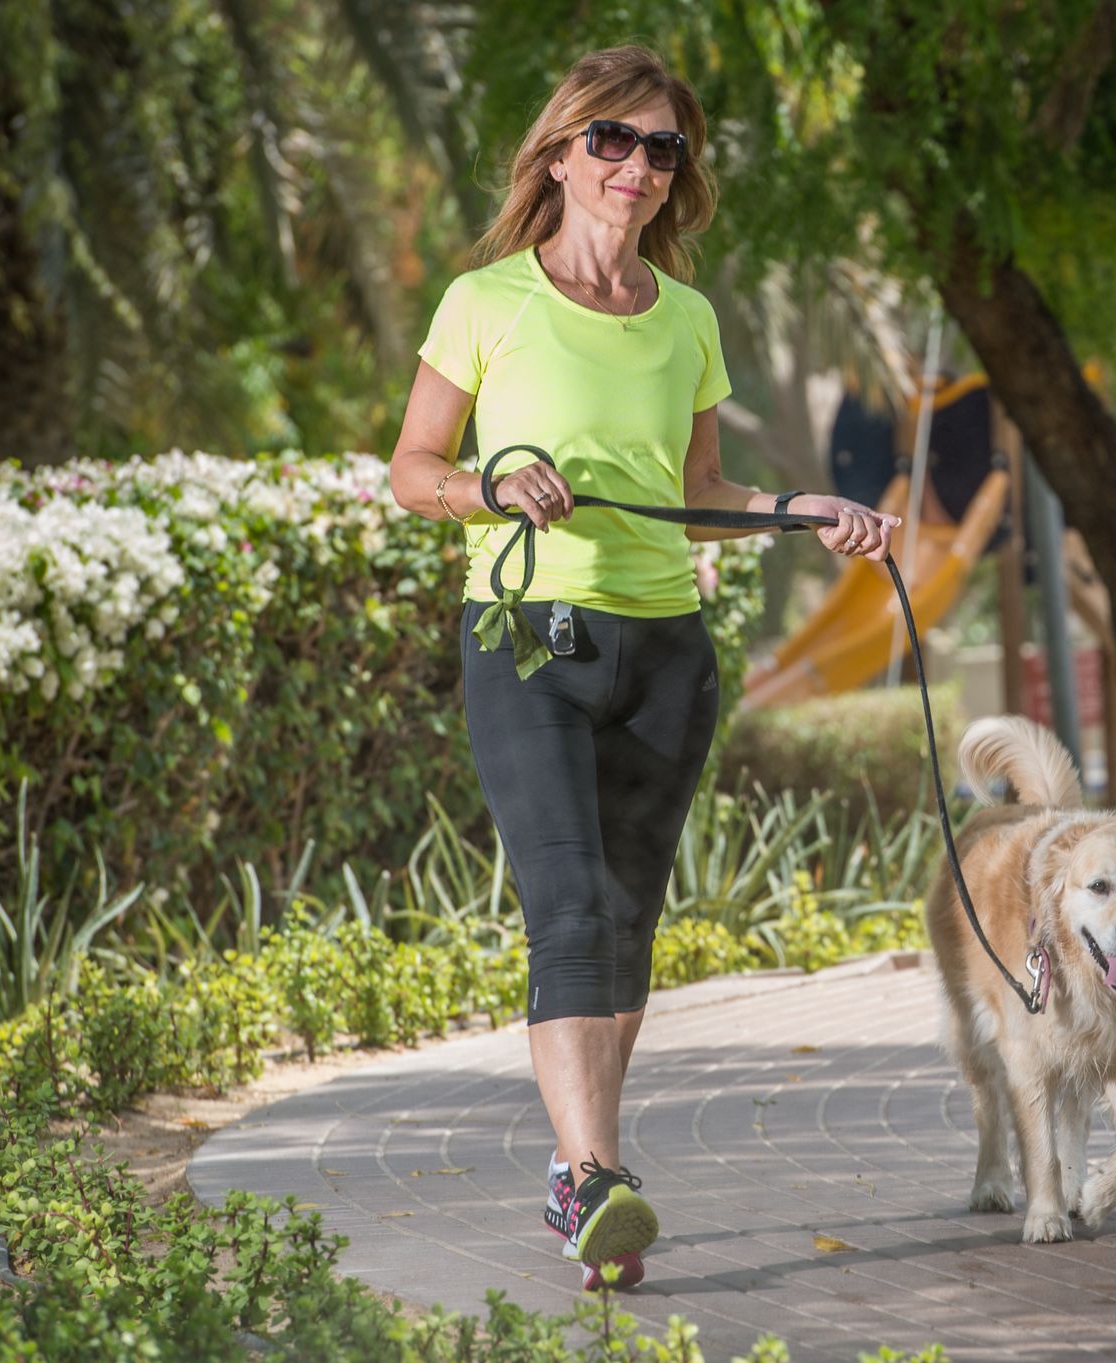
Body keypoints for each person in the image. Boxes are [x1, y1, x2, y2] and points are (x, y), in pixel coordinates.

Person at [388, 45, 897, 1291]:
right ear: (560, 152)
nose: (636, 167)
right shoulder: (486, 300)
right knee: (565, 911)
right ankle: (594, 1178)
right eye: (611, 140)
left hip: (668, 651)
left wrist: (800, 510)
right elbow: (410, 470)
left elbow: (701, 492)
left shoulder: (687, 319)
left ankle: (586, 1178)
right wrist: (489, 484)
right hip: (529, 641)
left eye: (661, 148)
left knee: (625, 922)